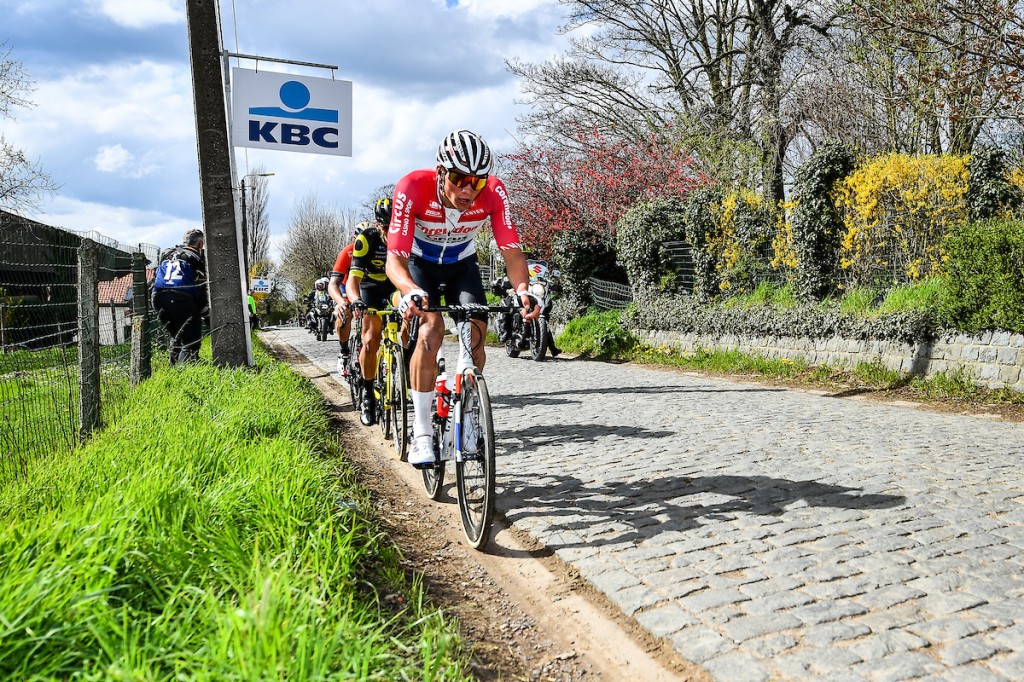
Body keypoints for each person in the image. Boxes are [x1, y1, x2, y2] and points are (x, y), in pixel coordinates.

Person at [386, 129, 540, 468]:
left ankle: (468, 410)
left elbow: (512, 253)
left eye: (478, 182)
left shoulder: (495, 193)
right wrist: (409, 290)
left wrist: (523, 290)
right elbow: (394, 260)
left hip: (461, 265)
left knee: (476, 329)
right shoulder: (412, 187)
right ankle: (423, 432)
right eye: (459, 179)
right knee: (430, 328)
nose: (469, 189)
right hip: (419, 265)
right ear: (441, 173)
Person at [347, 198, 397, 426]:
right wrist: (356, 300)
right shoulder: (366, 240)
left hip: (395, 285)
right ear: (378, 225)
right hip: (370, 288)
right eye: (386, 228)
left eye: (394, 226)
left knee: (409, 314)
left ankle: (405, 362)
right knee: (370, 339)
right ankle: (368, 394)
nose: (390, 232)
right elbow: (352, 281)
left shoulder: (406, 236)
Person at [152, 228, 208, 365]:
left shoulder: (168, 254)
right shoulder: (195, 258)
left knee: (176, 336)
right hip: (182, 297)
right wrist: (204, 310)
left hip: (158, 297)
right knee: (191, 340)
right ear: (200, 245)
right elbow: (201, 287)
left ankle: (173, 371)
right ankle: (186, 372)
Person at [328, 228, 360, 374]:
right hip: (346, 288)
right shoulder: (348, 252)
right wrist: (341, 302)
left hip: (367, 288)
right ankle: (344, 351)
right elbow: (333, 283)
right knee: (344, 314)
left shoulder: (380, 249)